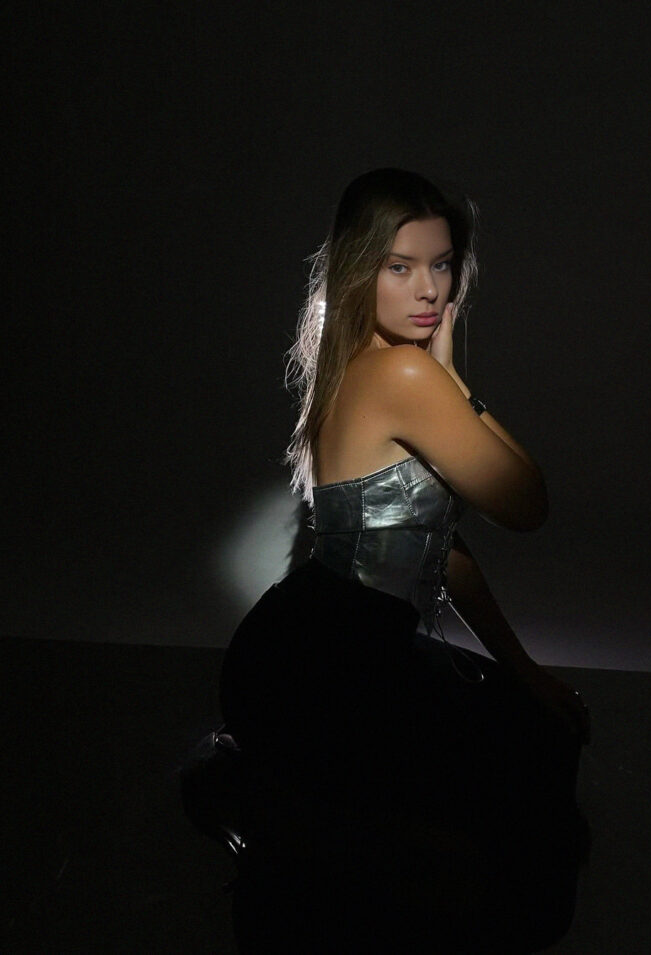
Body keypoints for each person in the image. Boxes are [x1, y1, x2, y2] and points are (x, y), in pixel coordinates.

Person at [218, 168, 591, 953]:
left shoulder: (354, 362)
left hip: (309, 644)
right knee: (518, 777)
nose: (429, 290)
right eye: (401, 266)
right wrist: (456, 381)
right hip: (327, 664)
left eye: (442, 264)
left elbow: (440, 555)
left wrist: (526, 668)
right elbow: (528, 504)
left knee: (530, 730)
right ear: (362, 269)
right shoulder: (407, 373)